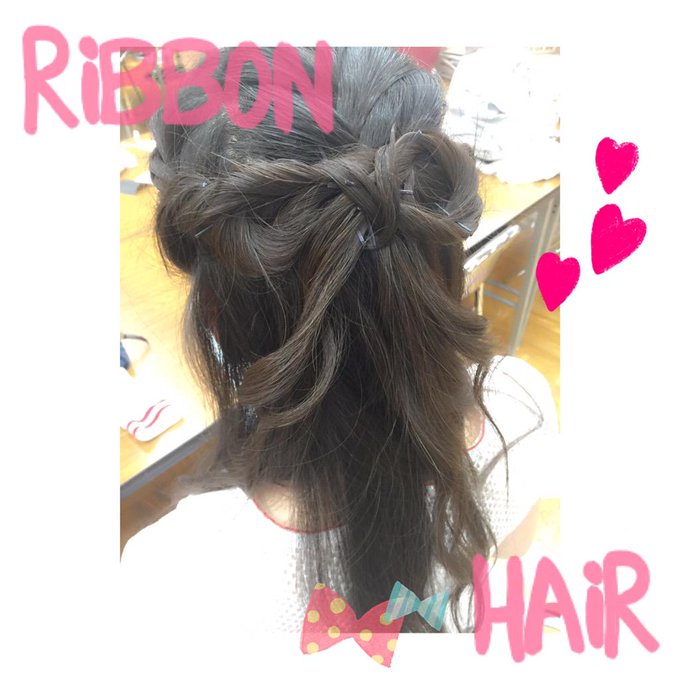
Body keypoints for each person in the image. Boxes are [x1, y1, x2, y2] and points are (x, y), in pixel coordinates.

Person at [120, 46, 558, 639]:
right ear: (437, 266)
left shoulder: (175, 577)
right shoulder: (523, 406)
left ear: (216, 320)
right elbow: (505, 585)